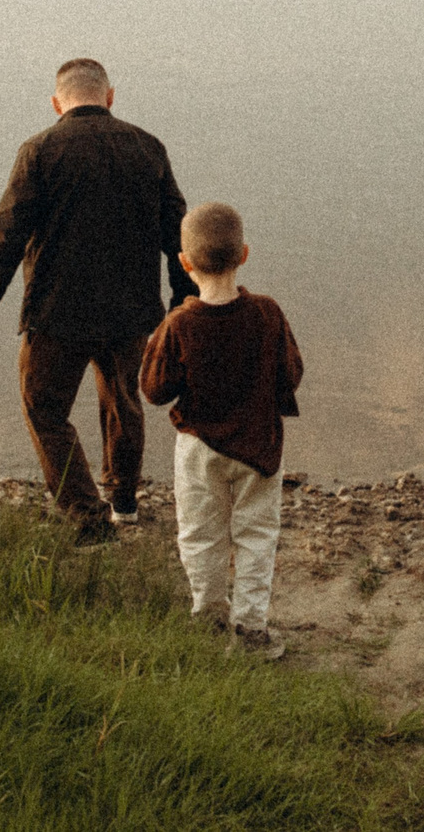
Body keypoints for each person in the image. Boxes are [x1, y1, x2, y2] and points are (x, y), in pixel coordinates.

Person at [0, 56, 192, 545]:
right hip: (131, 309)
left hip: (56, 310)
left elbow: (8, 232)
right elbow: (178, 235)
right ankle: (124, 503)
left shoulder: (40, 150)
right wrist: (184, 302)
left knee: (44, 408)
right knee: (123, 401)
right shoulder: (147, 148)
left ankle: (87, 517)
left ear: (56, 104)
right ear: (110, 97)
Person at [140, 201, 304, 658]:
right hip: (259, 447)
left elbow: (153, 391)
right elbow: (291, 373)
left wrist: (158, 345)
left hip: (198, 448)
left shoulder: (178, 324)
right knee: (256, 535)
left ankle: (208, 616)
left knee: (200, 533)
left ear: (185, 263)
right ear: (244, 255)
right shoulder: (268, 314)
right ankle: (251, 631)